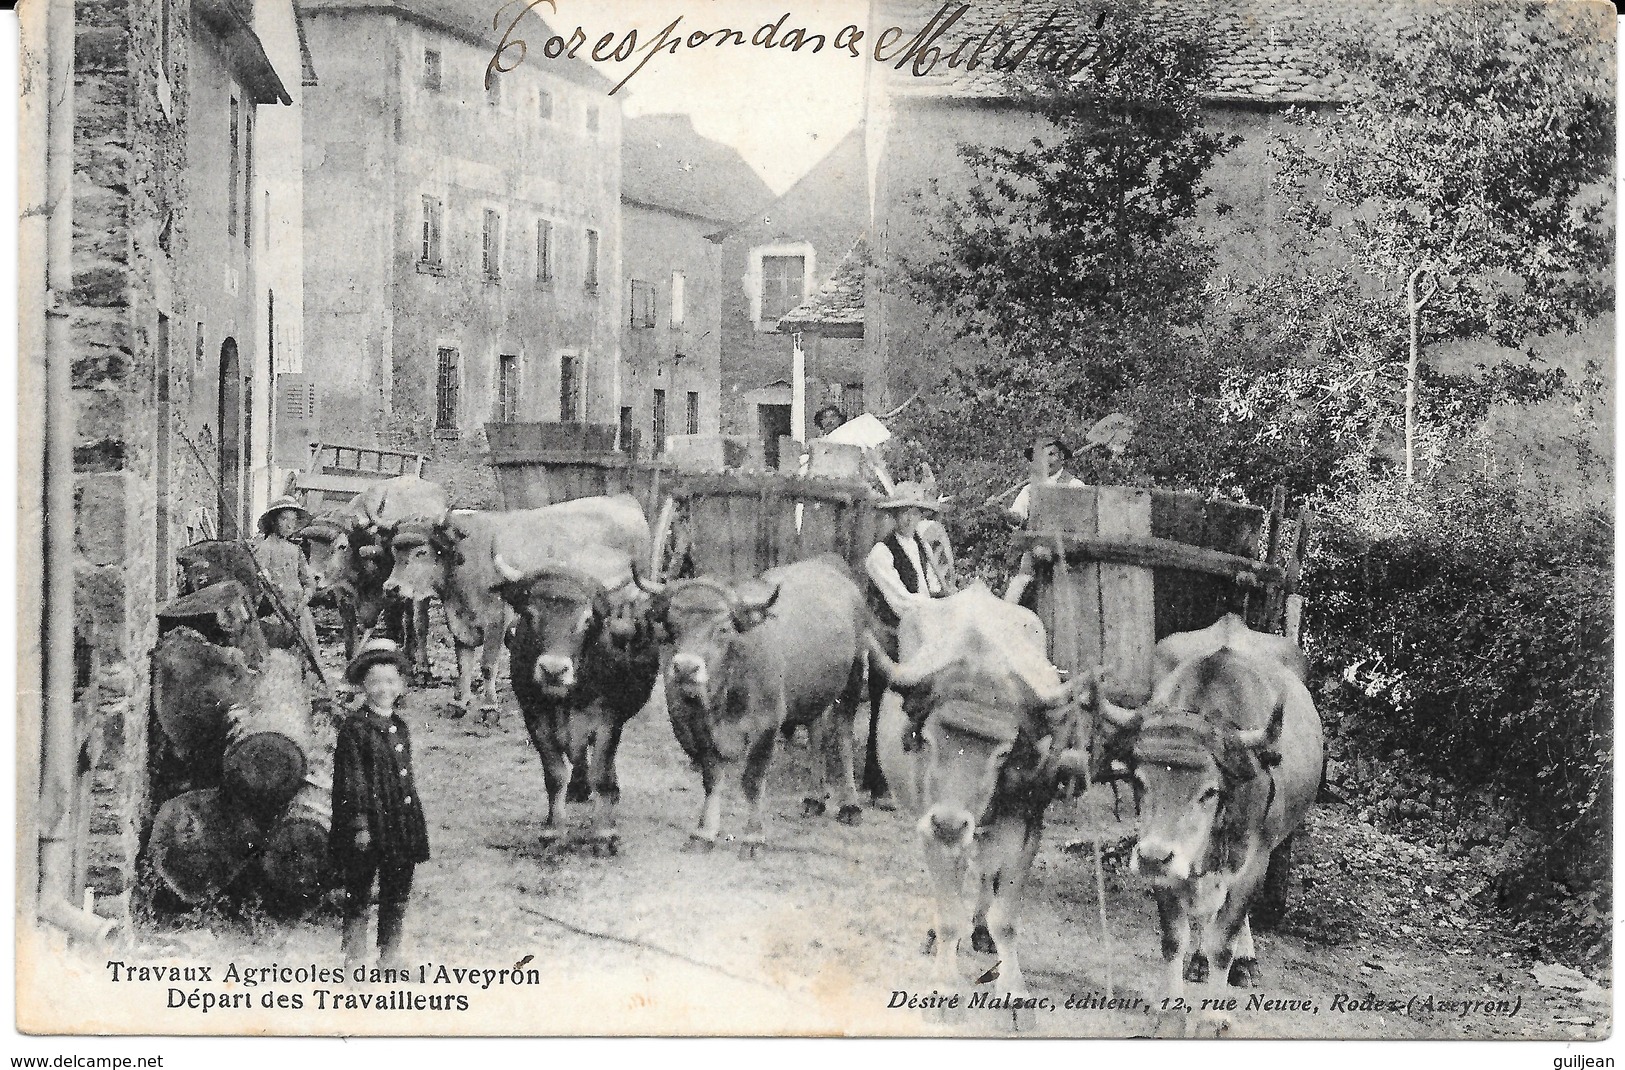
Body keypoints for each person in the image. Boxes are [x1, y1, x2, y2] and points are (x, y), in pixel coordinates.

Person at [331, 638, 430, 971]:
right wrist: (359, 825)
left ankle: (390, 956)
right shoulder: (355, 728)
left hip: (399, 823)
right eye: (375, 682)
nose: (383, 689)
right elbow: (352, 780)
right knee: (359, 891)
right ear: (363, 685)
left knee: (397, 890)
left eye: (390, 681)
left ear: (400, 685)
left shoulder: (399, 726)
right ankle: (354, 960)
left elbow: (403, 778)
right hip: (369, 825)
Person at [863, 481, 949, 806]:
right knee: (883, 708)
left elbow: (928, 588)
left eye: (914, 513)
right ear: (893, 516)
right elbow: (901, 601)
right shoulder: (880, 554)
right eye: (902, 513)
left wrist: (946, 597)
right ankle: (877, 784)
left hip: (919, 635)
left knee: (922, 706)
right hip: (888, 636)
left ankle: (914, 777)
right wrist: (940, 607)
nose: (908, 520)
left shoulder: (921, 547)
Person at [1004, 437, 1087, 605]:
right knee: (1015, 596)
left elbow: (1084, 523)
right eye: (1041, 457)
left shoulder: (1075, 486)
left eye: (1051, 455)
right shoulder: (1029, 489)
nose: (1046, 460)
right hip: (1035, 554)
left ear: (1062, 457)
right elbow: (1018, 518)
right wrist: (1002, 512)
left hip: (1066, 556)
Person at [252, 496, 320, 658]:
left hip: (300, 610)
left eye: (293, 520)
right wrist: (275, 597)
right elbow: (259, 583)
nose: (289, 524)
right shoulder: (264, 548)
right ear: (273, 521)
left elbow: (308, 581)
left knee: (307, 653)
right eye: (284, 519)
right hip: (276, 613)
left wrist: (305, 599)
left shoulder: (296, 551)